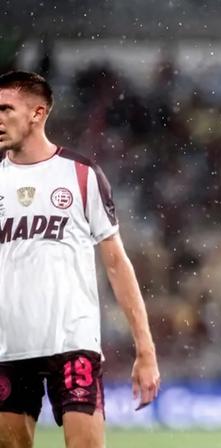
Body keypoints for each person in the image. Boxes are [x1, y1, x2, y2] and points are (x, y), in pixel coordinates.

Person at [0, 71, 160, 448]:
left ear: (37, 114)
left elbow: (118, 264)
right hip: (9, 345)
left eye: (6, 109)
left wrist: (146, 349)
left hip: (72, 343)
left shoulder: (81, 175)